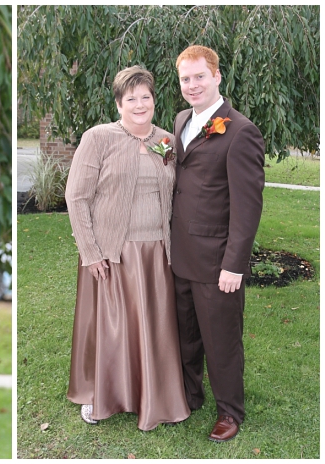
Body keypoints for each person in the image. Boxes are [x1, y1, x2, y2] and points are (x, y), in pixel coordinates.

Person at [64, 66, 191, 430]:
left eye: (145, 97)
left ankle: (155, 395)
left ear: (154, 100)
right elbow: (76, 196)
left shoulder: (166, 140)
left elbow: (175, 191)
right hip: (111, 252)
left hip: (156, 252)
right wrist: (90, 252)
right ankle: (97, 393)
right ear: (119, 103)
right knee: (111, 328)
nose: (139, 104)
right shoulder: (98, 137)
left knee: (154, 327)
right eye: (131, 98)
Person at [171, 45, 264, 442]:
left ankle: (230, 411)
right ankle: (189, 395)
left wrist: (234, 265)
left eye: (199, 77)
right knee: (185, 335)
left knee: (221, 340)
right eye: (185, 79)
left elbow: (248, 207)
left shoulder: (240, 131)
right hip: (179, 255)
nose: (192, 85)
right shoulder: (179, 121)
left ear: (217, 76)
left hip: (216, 263)